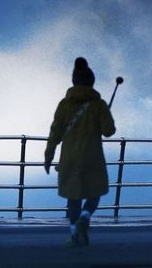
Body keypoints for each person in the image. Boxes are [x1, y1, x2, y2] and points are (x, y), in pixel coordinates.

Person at [44, 56, 116, 246]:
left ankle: (75, 233)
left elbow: (55, 132)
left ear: (73, 81)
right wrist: (105, 116)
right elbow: (108, 131)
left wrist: (48, 156)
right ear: (92, 82)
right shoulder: (98, 104)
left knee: (73, 198)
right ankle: (86, 216)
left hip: (70, 159)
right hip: (92, 157)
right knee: (94, 194)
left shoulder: (64, 104)